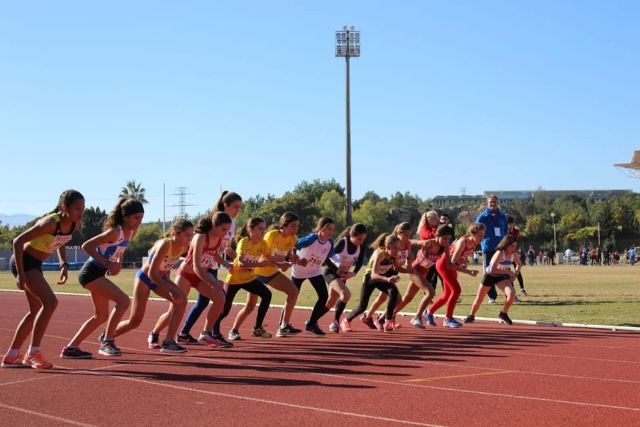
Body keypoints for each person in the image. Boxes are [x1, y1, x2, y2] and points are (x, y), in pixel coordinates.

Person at [3, 190, 85, 369]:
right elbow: (17, 241)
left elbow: (61, 241)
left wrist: (64, 264)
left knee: (36, 310)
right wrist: (22, 274)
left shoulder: (72, 224)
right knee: (50, 302)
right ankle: (33, 354)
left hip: (35, 265)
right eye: (77, 208)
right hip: (24, 262)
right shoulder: (50, 222)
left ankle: (11, 356)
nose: (81, 212)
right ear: (64, 208)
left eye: (83, 208)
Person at [62, 198, 144, 359]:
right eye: (136, 218)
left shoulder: (130, 232)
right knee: (123, 301)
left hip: (97, 274)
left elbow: (120, 249)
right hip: (90, 272)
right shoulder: (115, 231)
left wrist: (118, 264)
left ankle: (71, 347)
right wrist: (106, 263)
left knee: (100, 316)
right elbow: (87, 245)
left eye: (141, 218)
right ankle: (107, 341)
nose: (139, 221)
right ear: (125, 216)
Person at [114, 218, 194, 353]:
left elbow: (165, 267)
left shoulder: (183, 247)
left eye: (191, 236)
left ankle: (169, 341)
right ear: (175, 233)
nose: (189, 239)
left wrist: (170, 284)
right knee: (135, 321)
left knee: (181, 301)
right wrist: (170, 289)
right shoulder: (164, 245)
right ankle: (108, 335)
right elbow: (152, 273)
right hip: (145, 278)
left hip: (160, 278)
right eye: (187, 235)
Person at [179, 191, 242, 344]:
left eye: (240, 208)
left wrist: (229, 260)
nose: (238, 211)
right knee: (194, 302)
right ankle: (204, 333)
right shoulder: (214, 221)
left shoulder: (230, 224)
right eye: (235, 207)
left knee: (213, 299)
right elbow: (200, 245)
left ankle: (197, 333)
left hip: (209, 265)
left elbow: (222, 247)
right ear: (225, 205)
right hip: (199, 268)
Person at [169, 212, 232, 348]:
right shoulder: (200, 238)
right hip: (187, 274)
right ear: (214, 226)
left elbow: (214, 254)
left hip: (200, 276)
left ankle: (206, 334)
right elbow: (197, 266)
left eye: (227, 230)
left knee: (220, 298)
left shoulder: (219, 239)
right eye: (223, 229)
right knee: (176, 307)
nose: (226, 233)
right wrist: (212, 282)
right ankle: (156, 333)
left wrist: (226, 264)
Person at [251, 212, 305, 337]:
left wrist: (297, 260)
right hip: (257, 273)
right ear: (284, 225)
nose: (295, 229)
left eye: (297, 226)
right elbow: (263, 256)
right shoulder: (271, 235)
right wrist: (280, 264)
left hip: (272, 273)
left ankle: (283, 326)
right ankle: (234, 330)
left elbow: (288, 256)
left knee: (293, 292)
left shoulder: (293, 238)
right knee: (250, 305)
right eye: (293, 226)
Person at [220, 217, 274, 341]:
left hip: (249, 279)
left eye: (264, 229)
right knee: (224, 310)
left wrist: (284, 262)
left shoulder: (263, 243)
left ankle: (257, 328)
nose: (263, 232)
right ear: (251, 230)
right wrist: (259, 264)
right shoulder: (244, 242)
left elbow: (269, 258)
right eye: (260, 229)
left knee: (267, 294)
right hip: (234, 279)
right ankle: (210, 330)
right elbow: (241, 264)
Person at [424, 223, 484, 328]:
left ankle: (429, 312)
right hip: (444, 265)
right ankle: (448, 318)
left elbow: (461, 259)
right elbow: (451, 263)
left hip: (451, 266)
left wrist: (464, 262)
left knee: (447, 294)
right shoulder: (463, 242)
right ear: (472, 234)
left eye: (483, 235)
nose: (482, 238)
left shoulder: (474, 243)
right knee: (456, 290)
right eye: (480, 235)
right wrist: (469, 272)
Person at [344, 233, 406, 332]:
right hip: (370, 279)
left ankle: (387, 322)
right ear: (388, 246)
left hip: (381, 279)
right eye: (394, 248)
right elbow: (373, 275)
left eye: (398, 248)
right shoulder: (380, 253)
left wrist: (410, 269)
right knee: (362, 306)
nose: (397, 250)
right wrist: (388, 279)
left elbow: (397, 267)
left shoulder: (395, 255)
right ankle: (346, 320)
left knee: (393, 292)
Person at [291, 217, 336, 336]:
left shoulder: (330, 243)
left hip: (314, 271)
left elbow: (330, 257)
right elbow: (294, 245)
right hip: (299, 271)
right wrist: (295, 258)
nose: (331, 232)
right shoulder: (312, 238)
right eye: (329, 229)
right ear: (321, 228)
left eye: (333, 229)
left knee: (323, 296)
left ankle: (311, 323)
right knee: (292, 297)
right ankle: (283, 324)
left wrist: (339, 268)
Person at [465, 235, 520, 325]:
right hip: (490, 275)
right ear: (506, 245)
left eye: (515, 246)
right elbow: (492, 270)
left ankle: (503, 313)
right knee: (480, 298)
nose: (514, 248)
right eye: (512, 246)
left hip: (502, 276)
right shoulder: (500, 253)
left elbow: (519, 264)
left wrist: (515, 274)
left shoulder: (514, 254)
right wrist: (509, 272)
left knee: (511, 294)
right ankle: (471, 315)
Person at [322, 223, 367, 333]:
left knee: (330, 302)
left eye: (363, 239)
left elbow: (360, 262)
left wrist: (353, 273)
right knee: (346, 294)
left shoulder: (361, 245)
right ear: (351, 234)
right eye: (359, 239)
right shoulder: (343, 242)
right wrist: (336, 269)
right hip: (330, 271)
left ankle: (312, 320)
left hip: (343, 274)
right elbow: (326, 258)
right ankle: (336, 322)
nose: (361, 242)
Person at [476, 195, 508, 304]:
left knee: (504, 270)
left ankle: (509, 294)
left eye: (494, 202)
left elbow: (506, 232)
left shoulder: (503, 217)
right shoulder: (482, 217)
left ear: (497, 203)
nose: (492, 204)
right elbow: (476, 231)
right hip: (488, 248)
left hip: (500, 248)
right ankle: (491, 296)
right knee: (488, 272)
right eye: (490, 202)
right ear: (487, 203)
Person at [507, 215, 527, 296]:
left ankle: (522, 289)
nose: (508, 225)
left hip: (514, 252)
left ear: (512, 223)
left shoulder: (516, 231)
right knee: (508, 272)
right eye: (507, 223)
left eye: (509, 223)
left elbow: (518, 241)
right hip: (506, 253)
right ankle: (512, 290)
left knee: (518, 271)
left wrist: (516, 250)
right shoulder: (503, 230)